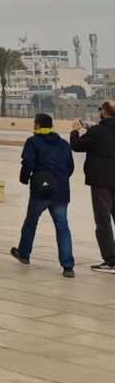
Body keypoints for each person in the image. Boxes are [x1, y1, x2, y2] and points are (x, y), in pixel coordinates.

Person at [11, 113, 75, 277]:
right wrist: (59, 179)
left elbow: (28, 163)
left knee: (31, 222)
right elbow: (70, 167)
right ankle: (67, 265)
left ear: (38, 125)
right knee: (62, 227)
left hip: (41, 190)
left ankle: (24, 253)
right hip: (61, 190)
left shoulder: (33, 142)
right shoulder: (63, 144)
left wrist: (24, 179)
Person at [70, 102, 115, 273]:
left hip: (101, 182)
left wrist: (75, 131)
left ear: (103, 112)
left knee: (103, 222)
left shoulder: (97, 132)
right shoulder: (97, 130)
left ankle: (110, 260)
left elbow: (77, 146)